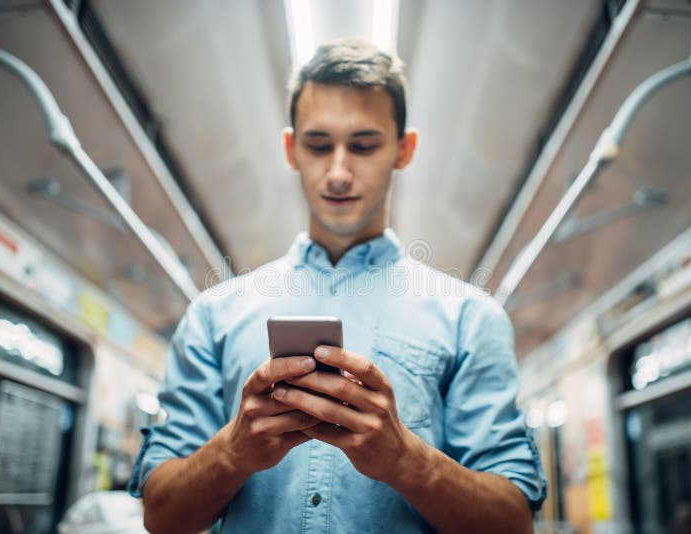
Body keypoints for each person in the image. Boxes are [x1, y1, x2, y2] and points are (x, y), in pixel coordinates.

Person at [129, 38, 546, 533]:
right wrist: (233, 451)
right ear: (291, 149)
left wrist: (404, 459)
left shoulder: (471, 319)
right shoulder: (212, 315)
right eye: (318, 145)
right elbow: (161, 517)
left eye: (364, 145)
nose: (339, 172)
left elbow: (515, 521)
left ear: (404, 150)